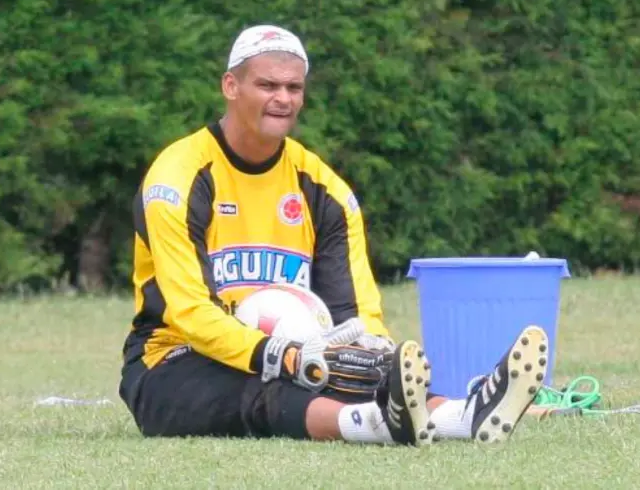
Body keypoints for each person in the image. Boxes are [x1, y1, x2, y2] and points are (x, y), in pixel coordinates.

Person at [118, 24, 549, 447]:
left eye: (294, 88)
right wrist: (281, 355)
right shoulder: (178, 177)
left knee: (360, 368)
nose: (282, 99)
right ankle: (382, 425)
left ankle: (466, 414)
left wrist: (376, 356)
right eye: (267, 85)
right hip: (172, 359)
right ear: (231, 86)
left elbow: (354, 310)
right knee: (264, 393)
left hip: (297, 356)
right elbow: (191, 313)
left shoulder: (325, 189)